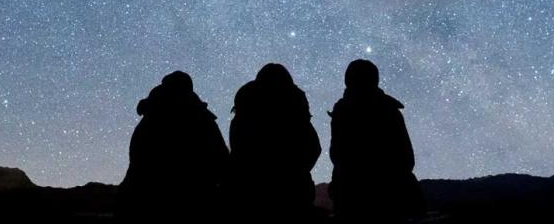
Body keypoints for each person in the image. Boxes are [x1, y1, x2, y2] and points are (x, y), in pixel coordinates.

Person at [117, 70, 229, 222]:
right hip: (189, 204)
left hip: (141, 201)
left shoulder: (151, 117)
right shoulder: (200, 119)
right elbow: (221, 159)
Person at [327, 59, 424, 222]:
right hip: (392, 199)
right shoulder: (389, 110)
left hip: (352, 200)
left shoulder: (343, 112)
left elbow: (337, 155)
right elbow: (406, 159)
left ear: (348, 80)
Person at [227, 63, 322, 222]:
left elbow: (238, 150)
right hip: (293, 195)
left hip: (248, 195)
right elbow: (313, 148)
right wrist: (295, 172)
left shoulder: (244, 111)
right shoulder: (295, 111)